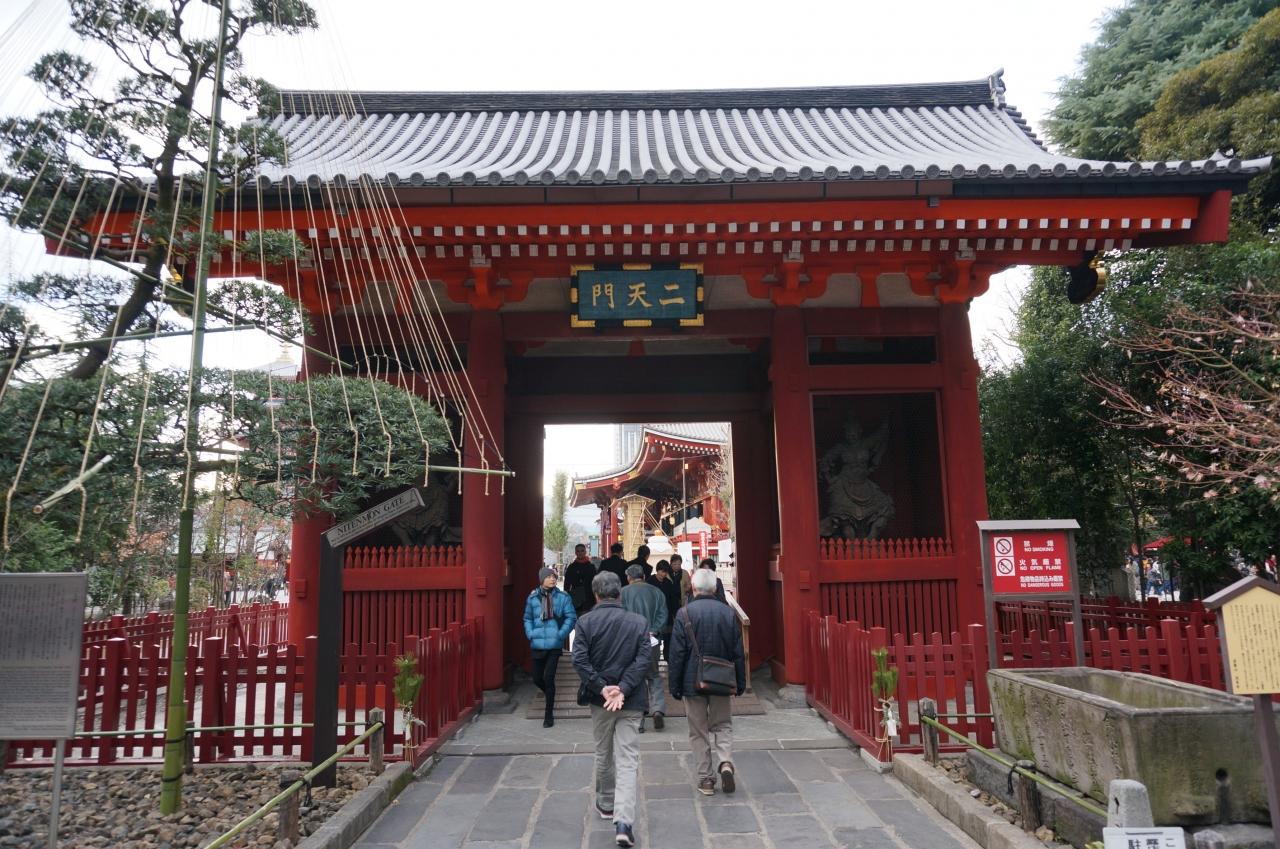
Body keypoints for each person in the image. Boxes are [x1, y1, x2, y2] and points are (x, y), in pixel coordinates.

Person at [572, 571, 651, 848]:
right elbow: (643, 660)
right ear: (620, 593)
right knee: (628, 758)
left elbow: (579, 660)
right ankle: (624, 822)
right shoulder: (639, 622)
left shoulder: (585, 622)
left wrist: (601, 687)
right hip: (631, 699)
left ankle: (606, 803)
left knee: (603, 751)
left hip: (601, 701)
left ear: (595, 594)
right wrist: (624, 688)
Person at [668, 568, 746, 796]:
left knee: (698, 730)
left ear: (693, 587)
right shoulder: (728, 613)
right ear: (714, 588)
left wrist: (675, 685)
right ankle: (725, 761)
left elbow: (677, 654)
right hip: (722, 679)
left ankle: (706, 780)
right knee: (723, 724)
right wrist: (740, 681)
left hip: (692, 680)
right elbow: (738, 652)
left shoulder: (684, 614)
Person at [523, 566, 577, 728]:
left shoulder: (563, 597)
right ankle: (549, 694)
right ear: (542, 579)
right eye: (549, 577)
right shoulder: (533, 598)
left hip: (554, 644)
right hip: (537, 642)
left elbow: (571, 617)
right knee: (537, 678)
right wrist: (530, 633)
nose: (553, 579)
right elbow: (527, 618)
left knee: (549, 678)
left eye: (554, 576)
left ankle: (548, 715)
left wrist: (561, 634)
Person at [621, 564, 668, 731]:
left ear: (629, 577)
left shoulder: (623, 593)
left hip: (631, 641)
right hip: (652, 640)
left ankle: (638, 720)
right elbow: (663, 614)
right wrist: (654, 630)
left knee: (635, 678)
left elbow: (620, 617)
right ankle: (658, 709)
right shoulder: (657, 592)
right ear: (644, 576)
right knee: (654, 675)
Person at [647, 561, 681, 661]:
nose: (663, 574)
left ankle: (668, 658)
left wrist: (674, 614)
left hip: (667, 615)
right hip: (654, 616)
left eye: (665, 572)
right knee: (654, 638)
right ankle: (654, 659)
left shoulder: (668, 583)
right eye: (662, 571)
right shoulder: (650, 581)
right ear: (657, 570)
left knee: (668, 638)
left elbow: (673, 600)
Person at [565, 543, 598, 614]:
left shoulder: (591, 567)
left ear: (585, 552)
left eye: (582, 551)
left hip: (589, 597)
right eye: (578, 551)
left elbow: (596, 583)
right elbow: (566, 584)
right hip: (576, 598)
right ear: (575, 553)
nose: (580, 553)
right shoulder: (571, 567)